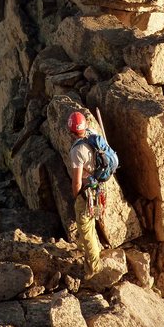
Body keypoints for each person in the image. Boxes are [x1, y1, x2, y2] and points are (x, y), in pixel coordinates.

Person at [68, 111, 104, 280]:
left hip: (87, 193)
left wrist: (76, 196)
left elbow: (76, 182)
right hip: (99, 188)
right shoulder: (93, 134)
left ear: (71, 130)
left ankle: (93, 268)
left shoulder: (77, 151)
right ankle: (93, 248)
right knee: (92, 220)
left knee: (85, 226)